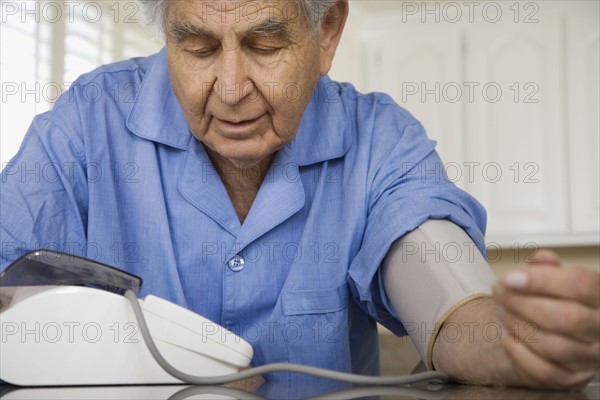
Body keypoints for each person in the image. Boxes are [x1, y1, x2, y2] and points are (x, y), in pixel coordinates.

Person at [0, 0, 598, 392]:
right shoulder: (87, 123)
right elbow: (10, 300)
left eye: (264, 45)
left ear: (327, 30)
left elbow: (441, 287)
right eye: (199, 48)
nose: (231, 89)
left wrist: (506, 338)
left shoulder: (380, 142)